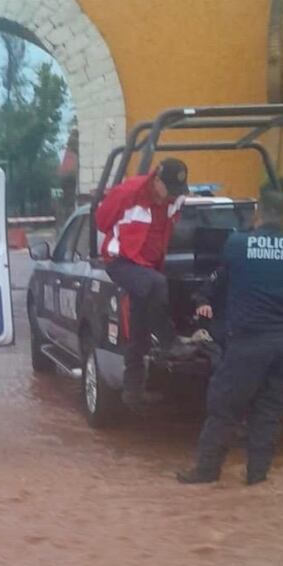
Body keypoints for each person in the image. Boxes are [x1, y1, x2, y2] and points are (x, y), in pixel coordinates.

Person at [177, 190, 283, 485]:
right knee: (268, 413)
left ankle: (207, 471)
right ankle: (257, 477)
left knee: (224, 407)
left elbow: (223, 280)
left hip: (248, 344)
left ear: (257, 215)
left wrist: (204, 301)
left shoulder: (237, 244)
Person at [95, 157, 194, 405]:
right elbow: (101, 221)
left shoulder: (174, 200)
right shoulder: (128, 193)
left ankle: (132, 392)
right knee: (157, 284)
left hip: (147, 266)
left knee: (138, 329)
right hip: (120, 261)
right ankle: (168, 341)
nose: (172, 196)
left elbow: (166, 230)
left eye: (177, 191)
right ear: (156, 180)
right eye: (169, 190)